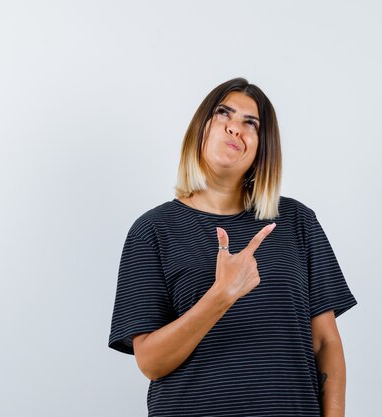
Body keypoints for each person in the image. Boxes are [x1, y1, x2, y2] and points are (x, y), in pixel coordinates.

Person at [108, 77, 357, 417]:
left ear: (262, 146)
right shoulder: (153, 230)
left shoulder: (297, 221)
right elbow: (150, 362)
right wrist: (221, 295)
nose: (235, 128)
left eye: (250, 123)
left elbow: (325, 342)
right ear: (201, 128)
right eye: (224, 114)